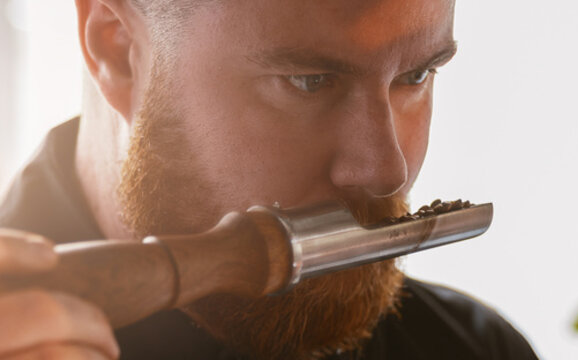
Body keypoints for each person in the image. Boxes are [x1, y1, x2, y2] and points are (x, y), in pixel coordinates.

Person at [0, 0, 537, 359]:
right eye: (310, 81)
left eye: (416, 74)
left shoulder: (473, 348)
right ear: (117, 47)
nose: (386, 171)